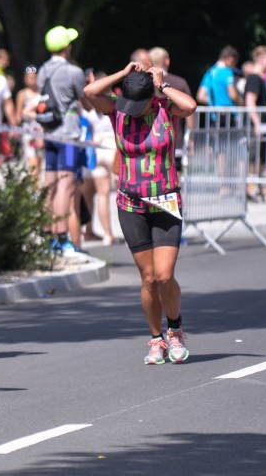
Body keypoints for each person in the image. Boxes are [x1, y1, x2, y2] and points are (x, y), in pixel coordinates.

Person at [84, 62, 197, 365]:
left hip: (165, 201)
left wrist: (162, 85)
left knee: (164, 275)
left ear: (151, 98)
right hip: (131, 204)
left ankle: (175, 330)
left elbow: (191, 106)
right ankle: (156, 339)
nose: (132, 109)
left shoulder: (164, 108)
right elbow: (89, 90)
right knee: (148, 279)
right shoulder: (117, 111)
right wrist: (123, 73)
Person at [38, 25, 90, 255]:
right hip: (68, 136)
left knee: (49, 184)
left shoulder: (42, 70)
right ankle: (61, 238)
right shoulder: (73, 72)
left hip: (49, 133)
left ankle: (46, 235)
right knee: (65, 187)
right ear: (66, 47)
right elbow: (85, 100)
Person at [81, 71, 117, 245]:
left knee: (97, 194)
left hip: (95, 149)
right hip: (112, 147)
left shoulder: (88, 104)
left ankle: (102, 233)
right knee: (114, 193)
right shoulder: (112, 101)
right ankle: (111, 233)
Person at [148, 47, 194, 173]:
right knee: (175, 175)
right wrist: (190, 136)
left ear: (150, 62)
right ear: (167, 61)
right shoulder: (180, 82)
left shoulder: (144, 82)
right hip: (174, 138)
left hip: (148, 137)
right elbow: (190, 113)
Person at [244, 45, 266, 201]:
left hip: (261, 126)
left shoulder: (259, 78)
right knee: (254, 159)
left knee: (261, 158)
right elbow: (250, 100)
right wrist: (257, 123)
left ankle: (259, 189)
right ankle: (251, 189)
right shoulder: (255, 78)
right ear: (262, 59)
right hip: (255, 126)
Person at [15, 64, 43, 176]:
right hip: (28, 130)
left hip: (41, 129)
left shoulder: (42, 93)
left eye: (34, 77)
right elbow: (18, 113)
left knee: (41, 160)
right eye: (29, 77)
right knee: (32, 162)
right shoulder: (22, 94)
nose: (31, 80)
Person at [197, 46, 241, 111]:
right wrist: (242, 102)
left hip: (214, 115)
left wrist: (215, 103)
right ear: (231, 59)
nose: (233, 66)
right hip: (228, 114)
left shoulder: (209, 72)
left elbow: (200, 96)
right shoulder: (227, 72)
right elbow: (233, 96)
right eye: (234, 63)